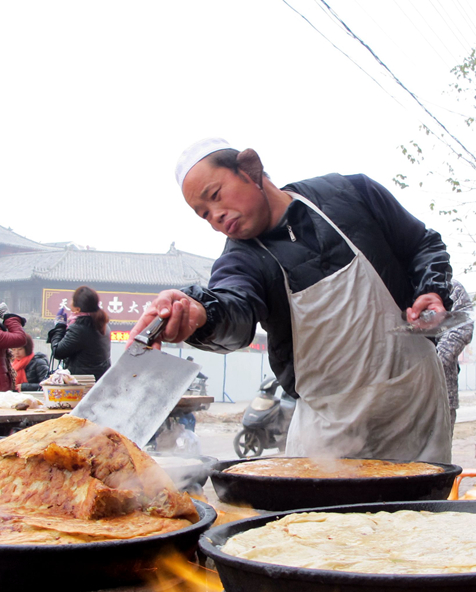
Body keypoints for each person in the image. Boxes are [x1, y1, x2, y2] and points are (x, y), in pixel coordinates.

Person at [128, 138, 453, 462]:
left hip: (414, 405)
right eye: (204, 214)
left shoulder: (352, 194)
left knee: (424, 510)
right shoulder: (242, 261)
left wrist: (431, 290)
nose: (215, 216)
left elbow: (423, 245)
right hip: (331, 431)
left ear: (250, 169)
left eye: (215, 196)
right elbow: (233, 310)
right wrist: (199, 313)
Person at [47, 286, 111, 380]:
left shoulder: (79, 328)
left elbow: (58, 352)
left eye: (72, 300)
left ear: (77, 309)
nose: (70, 302)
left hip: (82, 383)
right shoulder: (102, 324)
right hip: (99, 380)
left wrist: (59, 326)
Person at [435, 279, 474, 432]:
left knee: (434, 454)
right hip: (391, 396)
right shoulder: (386, 281)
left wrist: (432, 364)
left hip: (440, 394)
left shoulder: (450, 287)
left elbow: (462, 326)